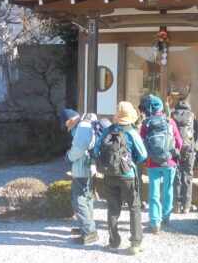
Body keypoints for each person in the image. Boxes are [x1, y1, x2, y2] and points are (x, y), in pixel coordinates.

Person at [92, 101, 147, 254]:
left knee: (112, 209)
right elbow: (143, 155)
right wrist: (131, 161)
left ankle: (113, 243)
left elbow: (96, 150)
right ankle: (136, 243)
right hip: (128, 175)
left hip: (109, 175)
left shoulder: (107, 130)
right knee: (134, 208)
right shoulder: (131, 132)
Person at [140, 96, 182, 233]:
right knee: (168, 189)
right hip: (170, 162)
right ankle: (165, 216)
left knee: (154, 193)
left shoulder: (146, 123)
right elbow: (179, 142)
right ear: (161, 107)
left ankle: (155, 222)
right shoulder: (170, 121)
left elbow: (141, 141)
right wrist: (173, 153)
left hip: (152, 162)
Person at [60, 109, 103, 245]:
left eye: (67, 124)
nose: (68, 128)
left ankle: (89, 233)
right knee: (86, 198)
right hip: (89, 167)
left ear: (70, 119)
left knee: (79, 200)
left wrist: (69, 156)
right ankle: (87, 227)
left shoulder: (83, 126)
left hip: (83, 168)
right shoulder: (88, 123)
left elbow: (78, 149)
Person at [171, 100, 198, 214]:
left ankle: (176, 206)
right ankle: (186, 206)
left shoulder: (172, 115)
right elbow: (196, 133)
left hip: (175, 148)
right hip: (188, 148)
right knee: (187, 176)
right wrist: (195, 147)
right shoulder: (192, 116)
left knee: (176, 176)